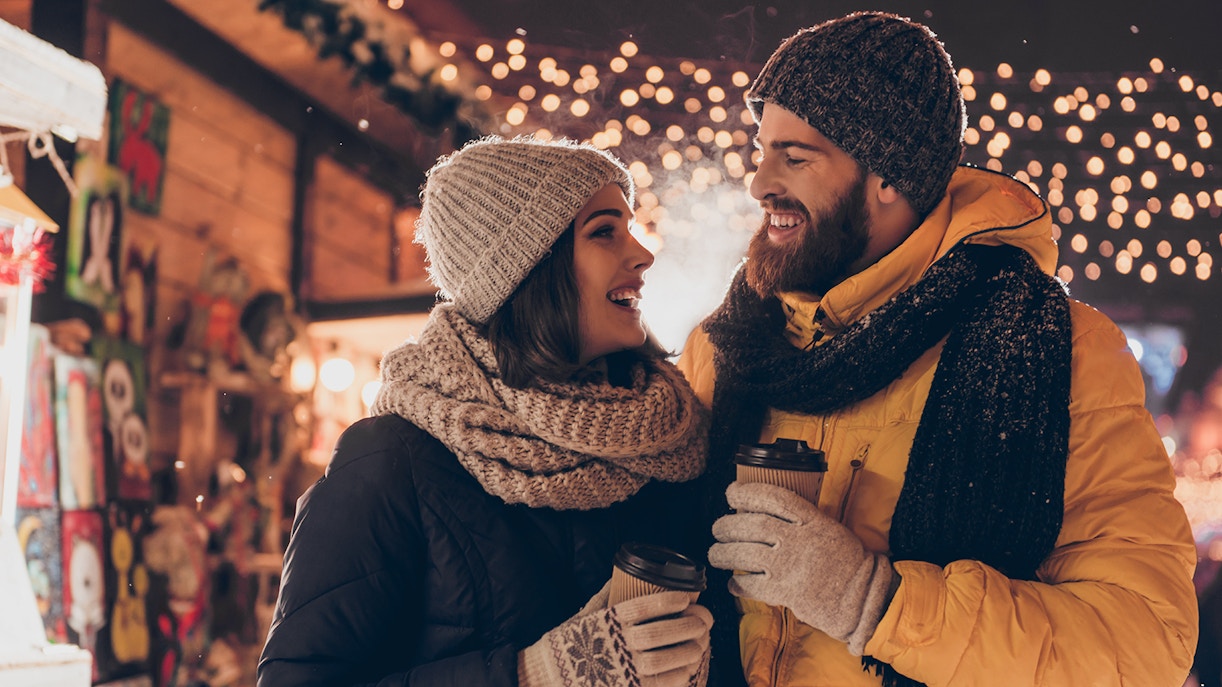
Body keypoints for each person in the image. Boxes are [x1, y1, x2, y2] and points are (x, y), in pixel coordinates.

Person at [677, 11, 1199, 687]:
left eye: (795, 156)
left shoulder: (1057, 350)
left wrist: (879, 602)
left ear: (889, 176)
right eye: (762, 149)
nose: (758, 181)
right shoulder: (728, 343)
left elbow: (1145, 641)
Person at [259, 136, 714, 687]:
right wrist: (532, 676)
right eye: (604, 232)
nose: (642, 254)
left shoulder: (667, 443)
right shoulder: (392, 460)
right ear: (527, 271)